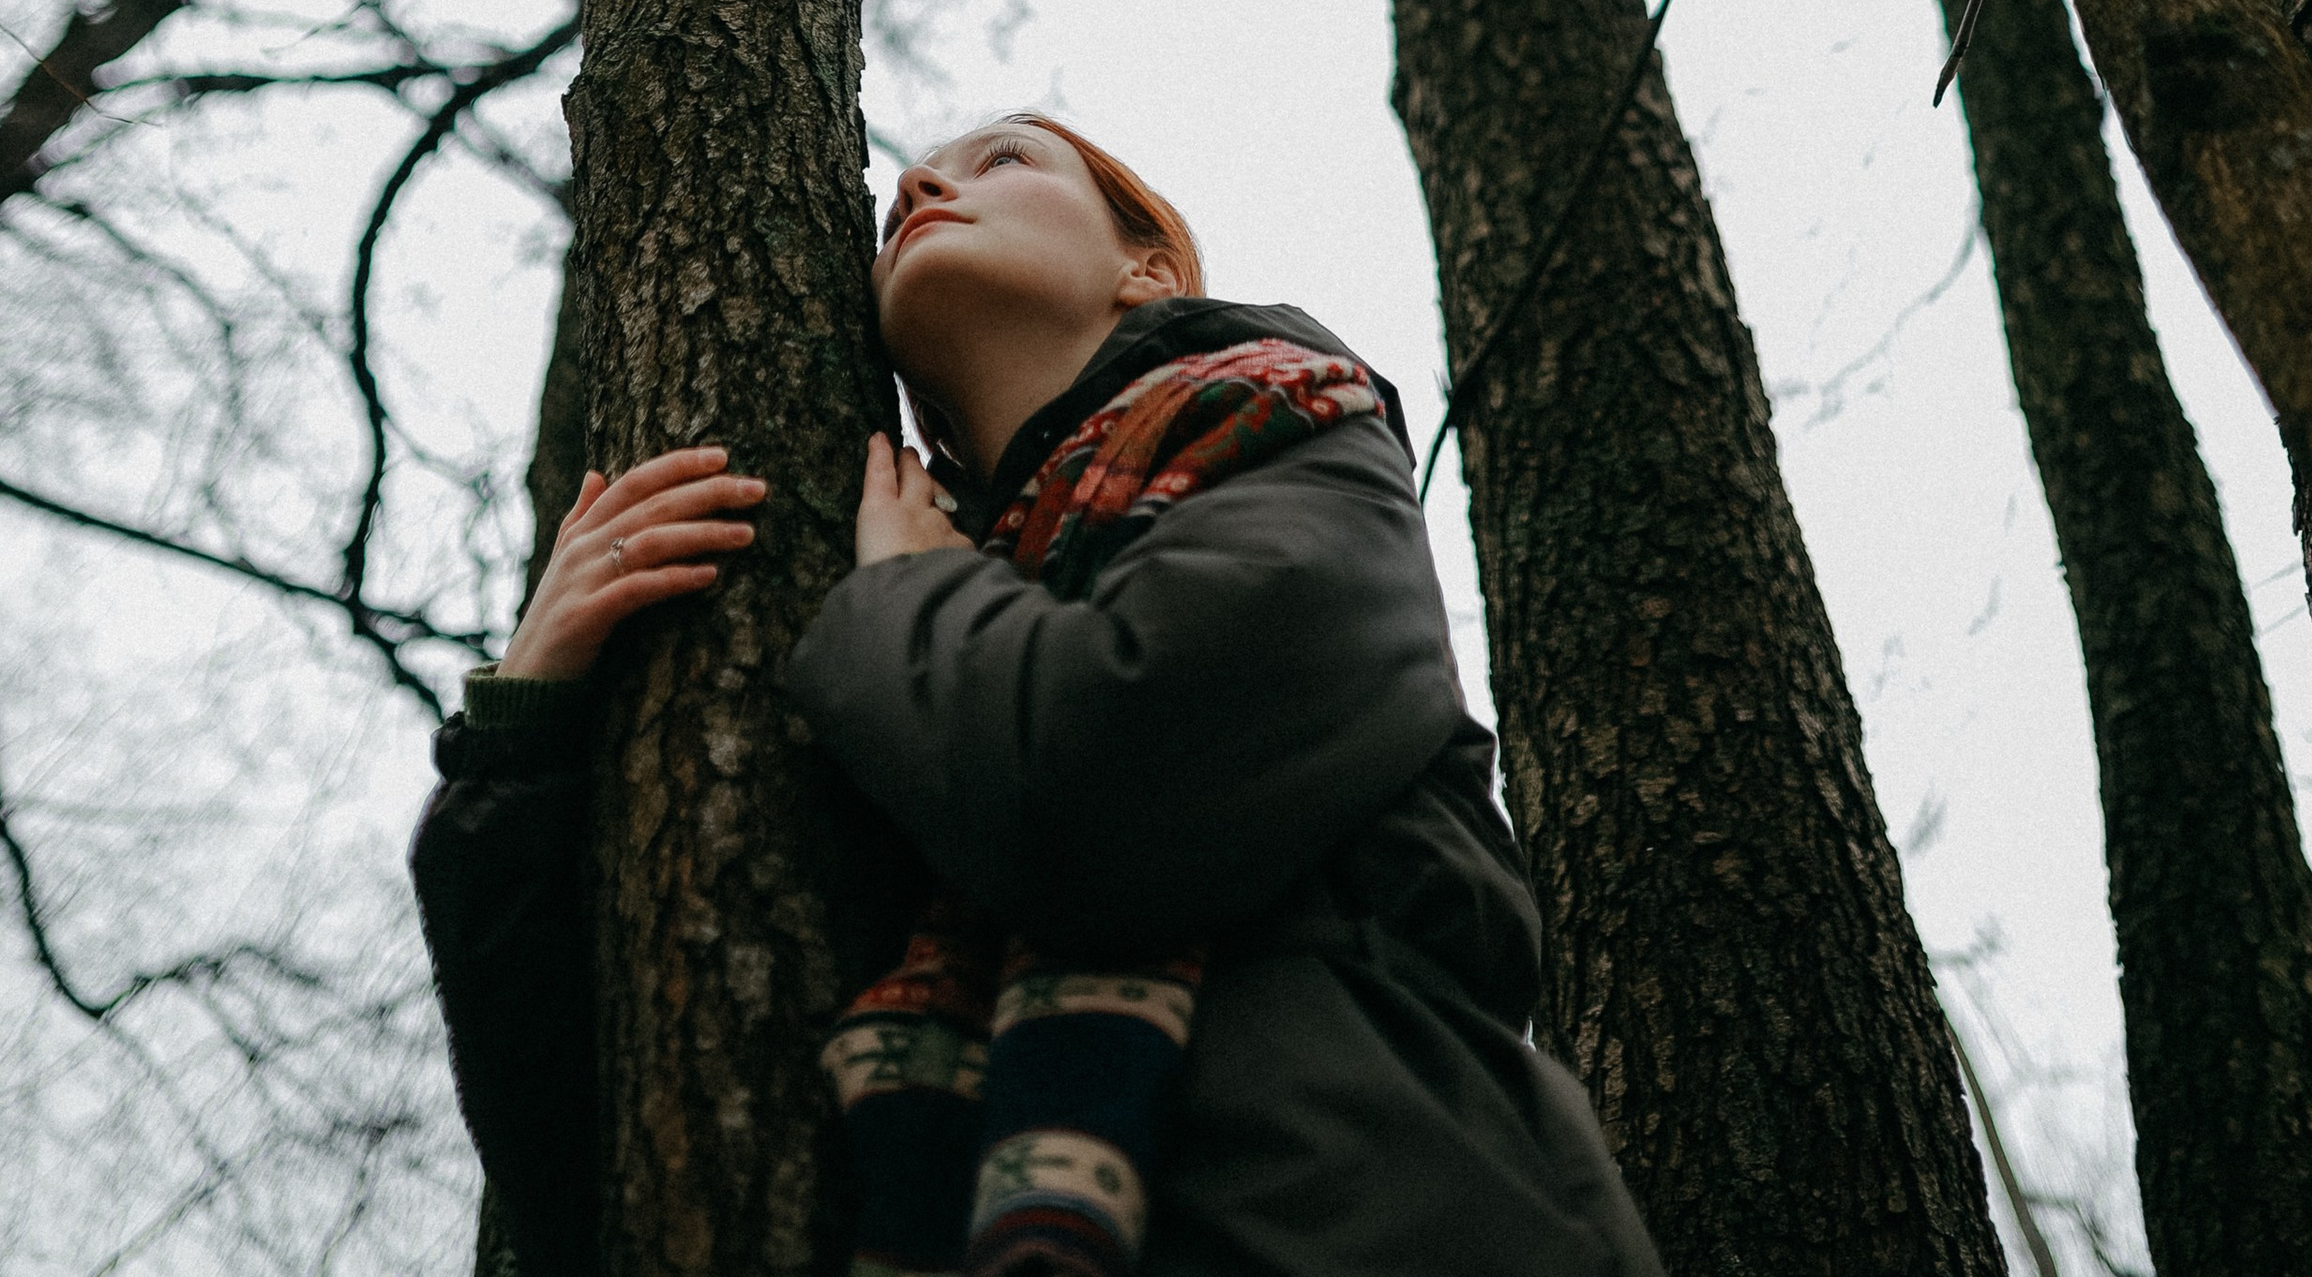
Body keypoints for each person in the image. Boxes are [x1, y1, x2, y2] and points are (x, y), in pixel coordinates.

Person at [411, 111, 1665, 1276]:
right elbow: (609, 1146)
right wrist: (526, 736)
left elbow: (1100, 796)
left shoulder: (1291, 430)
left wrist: (905, 592)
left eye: (1006, 159)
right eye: (919, 180)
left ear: (1149, 273)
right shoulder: (903, 667)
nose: (921, 182)